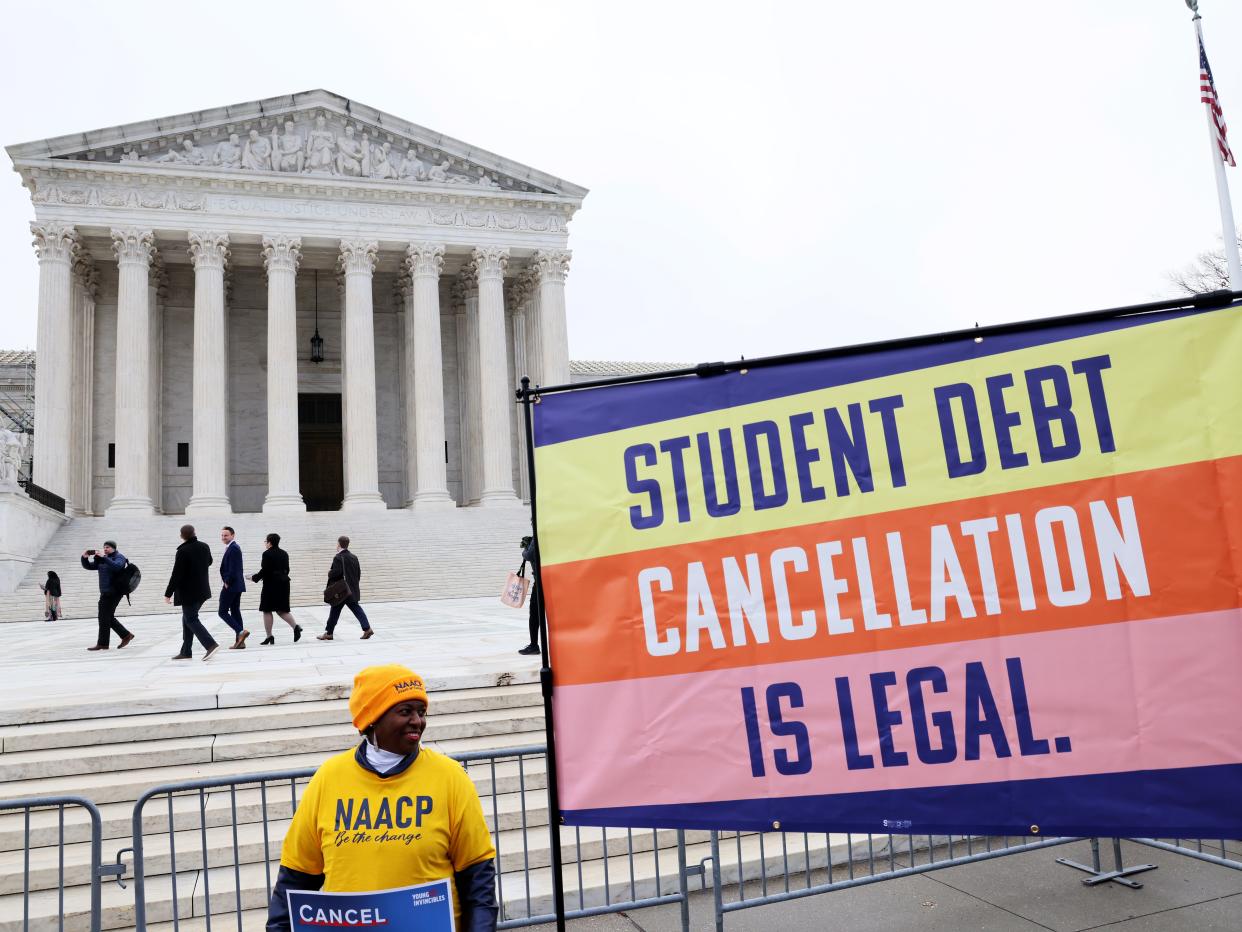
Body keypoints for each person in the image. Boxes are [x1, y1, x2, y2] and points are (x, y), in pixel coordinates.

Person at [265, 664, 498, 931]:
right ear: (372, 717)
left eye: (421, 712)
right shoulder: (329, 778)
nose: (417, 721)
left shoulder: (450, 777)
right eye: (405, 711)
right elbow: (295, 877)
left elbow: (478, 879)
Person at [164, 524, 219, 661]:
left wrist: (168, 593)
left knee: (191, 619)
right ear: (194, 533)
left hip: (189, 592)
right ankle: (186, 651)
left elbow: (176, 574)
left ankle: (210, 645)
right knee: (187, 619)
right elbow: (210, 562)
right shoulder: (204, 546)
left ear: (182, 536)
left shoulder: (183, 551)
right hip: (202, 590)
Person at [81, 541, 135, 651]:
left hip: (115, 592)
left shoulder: (119, 557)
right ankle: (125, 635)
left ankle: (103, 643)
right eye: (104, 547)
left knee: (104, 617)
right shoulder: (103, 559)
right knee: (106, 617)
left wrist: (104, 558)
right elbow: (89, 566)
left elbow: (117, 567)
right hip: (105, 592)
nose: (105, 549)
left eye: (108, 547)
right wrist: (84, 558)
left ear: (114, 548)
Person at [317, 536, 374, 640]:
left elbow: (336, 573)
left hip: (341, 591)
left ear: (339, 544)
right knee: (357, 609)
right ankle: (367, 629)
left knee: (334, 610)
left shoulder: (338, 557)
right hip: (351, 590)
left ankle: (329, 633)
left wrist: (330, 573)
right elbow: (358, 573)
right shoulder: (354, 557)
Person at [251, 532, 301, 645]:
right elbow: (287, 569)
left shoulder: (266, 554)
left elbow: (265, 570)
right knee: (281, 609)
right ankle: (295, 627)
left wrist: (254, 578)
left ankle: (269, 636)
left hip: (271, 585)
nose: (265, 543)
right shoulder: (284, 553)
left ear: (269, 542)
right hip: (284, 583)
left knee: (267, 609)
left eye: (265, 541)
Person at [217, 526, 250, 649]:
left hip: (231, 585)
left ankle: (241, 632)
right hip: (236, 585)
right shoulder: (231, 547)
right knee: (235, 611)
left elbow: (234, 568)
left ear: (232, 535)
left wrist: (227, 581)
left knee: (222, 612)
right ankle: (240, 642)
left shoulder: (234, 548)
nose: (223, 537)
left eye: (226, 535)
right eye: (222, 535)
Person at [517, 535, 541, 656]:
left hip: (541, 582)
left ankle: (534, 645)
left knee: (535, 613)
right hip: (552, 579)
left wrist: (525, 548)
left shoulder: (538, 535)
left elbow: (529, 555)